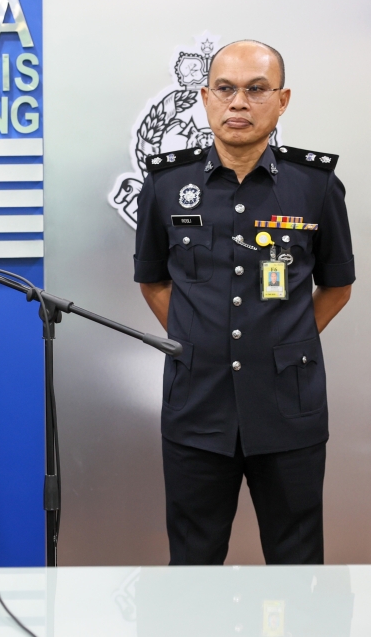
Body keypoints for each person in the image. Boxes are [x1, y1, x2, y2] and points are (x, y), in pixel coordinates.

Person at [134, 40, 354, 565]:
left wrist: (282, 338)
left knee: (297, 560)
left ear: (282, 101)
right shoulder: (167, 184)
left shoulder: (315, 186)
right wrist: (197, 340)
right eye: (226, 90)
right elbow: (153, 282)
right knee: (193, 560)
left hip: (287, 406)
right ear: (206, 98)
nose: (238, 103)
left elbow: (338, 285)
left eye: (256, 90)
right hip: (197, 405)